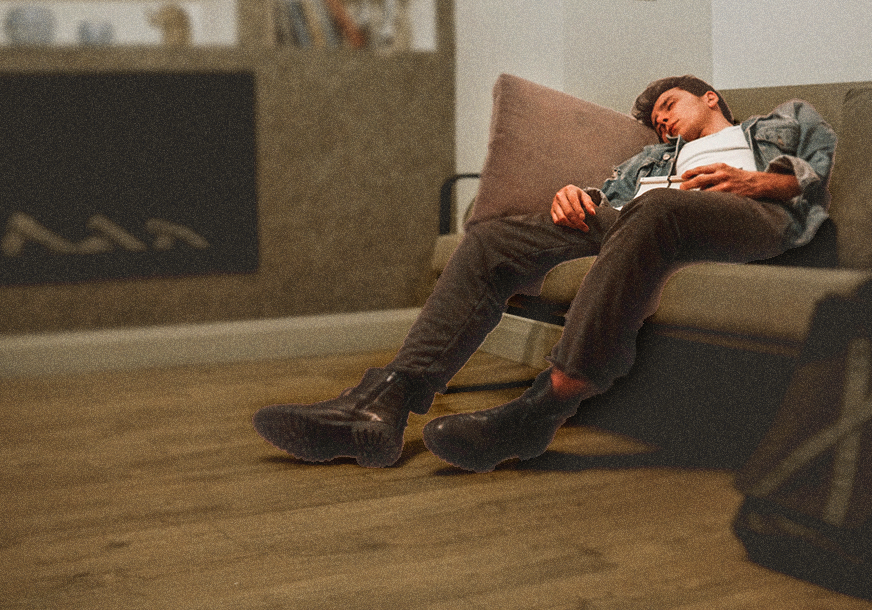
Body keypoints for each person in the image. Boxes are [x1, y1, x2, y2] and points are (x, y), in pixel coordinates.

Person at [253, 75, 837, 472]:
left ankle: (546, 405)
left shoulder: (774, 125)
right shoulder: (651, 161)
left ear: (710, 98)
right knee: (496, 238)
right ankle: (386, 402)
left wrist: (765, 181)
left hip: (750, 217)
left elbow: (816, 165)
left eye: (671, 107)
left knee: (655, 208)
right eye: (656, 120)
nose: (662, 123)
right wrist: (574, 196)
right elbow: (612, 197)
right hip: (647, 218)